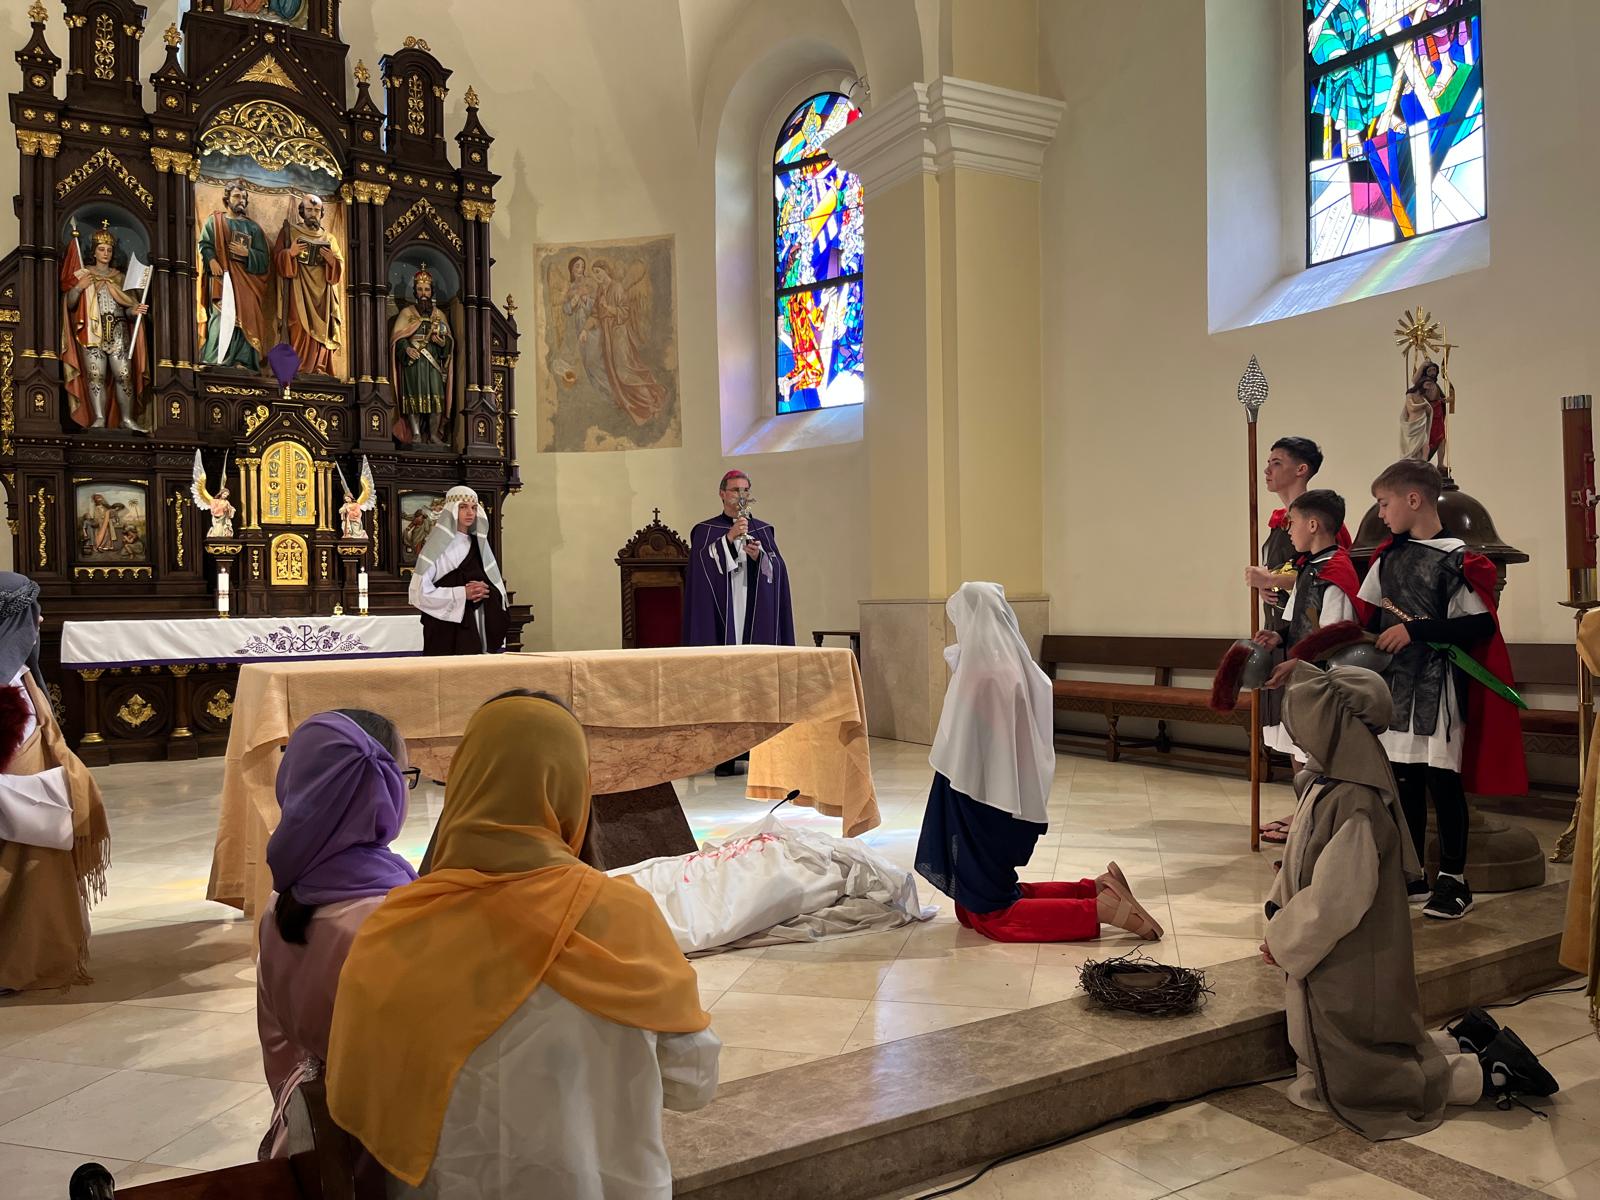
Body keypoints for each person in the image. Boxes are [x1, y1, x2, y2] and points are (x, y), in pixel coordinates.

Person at [326, 692, 719, 1199]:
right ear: (573, 787)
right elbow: (691, 1082)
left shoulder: (396, 926)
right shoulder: (622, 916)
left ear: (464, 783)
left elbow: (358, 1089)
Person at [1261, 661, 1554, 1137]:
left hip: (1347, 955)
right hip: (1324, 953)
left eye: (1305, 724)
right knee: (1347, 1048)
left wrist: (1283, 939)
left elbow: (1337, 899)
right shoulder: (1326, 784)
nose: (1297, 736)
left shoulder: (1356, 802)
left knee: (1363, 1071)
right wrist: (1278, 910)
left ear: (1331, 727)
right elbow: (1300, 861)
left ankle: (1489, 1072)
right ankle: (1463, 1040)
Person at [915, 582, 1162, 942]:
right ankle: (1094, 889)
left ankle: (1102, 909)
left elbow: (960, 749)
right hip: (1010, 801)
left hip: (983, 802)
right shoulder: (1020, 666)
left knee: (992, 916)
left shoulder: (979, 674)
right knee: (978, 904)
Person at [1358, 459, 1526, 919]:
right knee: (1405, 782)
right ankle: (1412, 873)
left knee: (1442, 781)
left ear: (1414, 499)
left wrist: (1417, 630)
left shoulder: (1456, 559)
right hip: (1397, 686)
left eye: (1384, 503)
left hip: (1439, 688)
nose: (1381, 513)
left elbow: (1478, 624)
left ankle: (1454, 880)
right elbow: (1369, 618)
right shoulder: (1387, 558)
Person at [255, 709, 416, 1159]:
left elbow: (277, 1041)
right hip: (382, 1141)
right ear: (381, 790)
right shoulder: (389, 915)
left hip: (308, 1124)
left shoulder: (281, 902)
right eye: (404, 777)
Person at [0, 572, 110, 993]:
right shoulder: (5, 689)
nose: (41, 620)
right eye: (32, 612)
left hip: (31, 810)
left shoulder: (18, 674)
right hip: (21, 817)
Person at [1253, 489, 1368, 844]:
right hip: (1304, 678)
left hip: (1324, 683)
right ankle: (1306, 826)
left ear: (1314, 525)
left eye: (1294, 523)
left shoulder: (1335, 571)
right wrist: (1277, 636)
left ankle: (1320, 835)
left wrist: (1297, 662)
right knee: (1299, 752)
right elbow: (1299, 623)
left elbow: (1334, 635)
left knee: (1320, 763)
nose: (1289, 531)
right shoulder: (1308, 568)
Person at [61, 223, 150, 431]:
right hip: (92, 331)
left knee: (124, 376)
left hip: (118, 331)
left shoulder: (120, 277)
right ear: (94, 252)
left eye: (109, 249)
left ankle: (127, 419)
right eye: (101, 249)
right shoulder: (84, 274)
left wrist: (135, 310)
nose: (105, 253)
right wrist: (78, 288)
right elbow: (70, 304)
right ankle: (99, 418)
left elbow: (127, 308)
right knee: (95, 376)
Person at [408, 486, 509, 656]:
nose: (470, 513)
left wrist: (486, 590)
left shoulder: (480, 546)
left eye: (474, 508)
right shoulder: (433, 548)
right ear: (451, 509)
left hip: (476, 624)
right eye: (463, 507)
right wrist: (462, 593)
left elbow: (496, 590)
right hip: (442, 628)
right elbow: (419, 593)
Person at [199, 179, 271, 371]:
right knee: (221, 316)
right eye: (237, 196)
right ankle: (216, 358)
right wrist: (212, 260)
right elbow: (205, 244)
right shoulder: (214, 221)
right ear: (227, 199)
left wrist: (248, 254)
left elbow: (264, 260)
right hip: (223, 278)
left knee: (248, 316)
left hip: (248, 282)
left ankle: (243, 361)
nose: (241, 200)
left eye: (244, 197)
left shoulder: (253, 228)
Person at [273, 193, 344, 378]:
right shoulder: (289, 232)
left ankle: (319, 367)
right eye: (309, 210)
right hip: (298, 288)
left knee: (323, 329)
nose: (313, 214)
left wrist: (332, 261)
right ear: (302, 211)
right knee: (297, 325)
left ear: (322, 213)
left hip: (323, 293)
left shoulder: (329, 238)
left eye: (317, 210)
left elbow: (339, 268)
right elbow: (277, 259)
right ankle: (299, 368)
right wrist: (290, 253)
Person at [390, 267, 454, 445]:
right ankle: (416, 434)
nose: (423, 294)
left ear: (432, 292)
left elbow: (449, 342)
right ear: (415, 292)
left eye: (426, 289)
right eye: (420, 289)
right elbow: (397, 338)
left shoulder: (439, 315)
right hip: (414, 362)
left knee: (436, 399)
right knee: (414, 398)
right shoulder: (406, 313)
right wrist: (405, 348)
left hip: (433, 363)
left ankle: (433, 435)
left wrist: (442, 343)